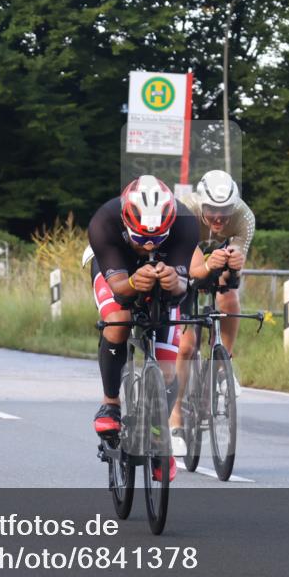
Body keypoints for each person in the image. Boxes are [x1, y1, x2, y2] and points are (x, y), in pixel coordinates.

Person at [87, 175, 198, 483]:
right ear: (126, 220)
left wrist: (175, 281)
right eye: (140, 237)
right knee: (118, 321)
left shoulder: (186, 223)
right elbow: (121, 291)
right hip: (116, 269)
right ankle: (110, 404)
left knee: (166, 366)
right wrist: (135, 282)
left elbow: (181, 291)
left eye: (157, 238)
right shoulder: (104, 221)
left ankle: (158, 433)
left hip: (164, 271)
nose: (148, 245)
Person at [168, 170, 255, 435]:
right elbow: (193, 270)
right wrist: (207, 264)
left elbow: (230, 277)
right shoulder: (186, 212)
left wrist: (234, 267)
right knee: (186, 346)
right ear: (201, 204)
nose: (219, 217)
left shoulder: (244, 217)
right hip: (184, 265)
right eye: (212, 210)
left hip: (215, 263)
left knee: (228, 294)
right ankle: (176, 417)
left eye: (225, 210)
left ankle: (222, 365)